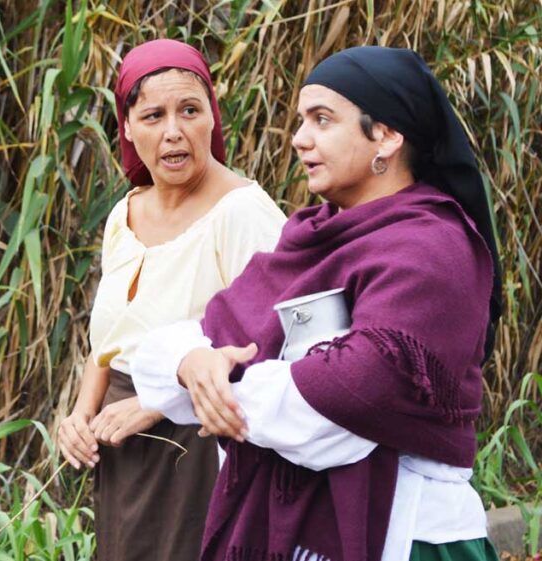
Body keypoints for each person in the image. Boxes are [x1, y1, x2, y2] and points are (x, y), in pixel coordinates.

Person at [131, 47, 503, 560]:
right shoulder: (309, 238)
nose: (300, 139)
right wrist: (192, 362)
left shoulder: (433, 250)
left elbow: (343, 406)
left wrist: (218, 385)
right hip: (298, 537)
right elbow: (159, 358)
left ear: (388, 135)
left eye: (322, 120)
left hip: (410, 537)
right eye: (302, 120)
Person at [55, 39, 286, 561]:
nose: (173, 131)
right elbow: (109, 343)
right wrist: (80, 416)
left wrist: (160, 402)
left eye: (189, 110)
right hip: (121, 442)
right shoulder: (125, 213)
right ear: (128, 129)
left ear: (212, 118)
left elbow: (278, 343)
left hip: (201, 443)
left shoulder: (241, 211)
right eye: (153, 115)